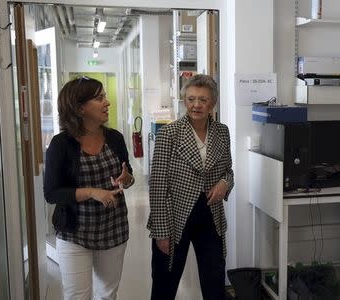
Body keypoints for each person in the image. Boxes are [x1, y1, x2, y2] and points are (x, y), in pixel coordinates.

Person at [43, 76, 135, 300]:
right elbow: (52, 192)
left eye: (104, 96)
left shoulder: (114, 138)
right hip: (74, 231)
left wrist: (126, 178)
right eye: (100, 98)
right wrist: (93, 192)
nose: (107, 102)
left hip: (113, 228)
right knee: (77, 296)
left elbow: (129, 177)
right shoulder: (60, 144)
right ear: (79, 107)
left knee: (107, 294)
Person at [148, 74, 234, 300]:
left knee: (215, 281)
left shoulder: (222, 132)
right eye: (191, 99)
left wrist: (225, 183)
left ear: (212, 103)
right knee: (165, 282)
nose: (197, 105)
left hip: (210, 214)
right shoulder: (169, 134)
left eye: (203, 100)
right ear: (184, 100)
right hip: (174, 216)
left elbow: (229, 171)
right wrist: (161, 232)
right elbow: (157, 186)